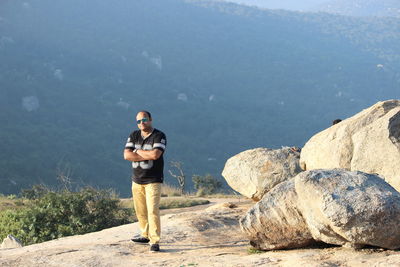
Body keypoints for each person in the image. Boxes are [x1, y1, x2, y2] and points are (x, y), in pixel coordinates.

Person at [123, 110, 167, 252]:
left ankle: (154, 241)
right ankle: (145, 234)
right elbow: (126, 155)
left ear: (151, 119)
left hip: (153, 180)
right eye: (139, 121)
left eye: (144, 120)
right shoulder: (134, 135)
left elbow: (155, 154)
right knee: (140, 210)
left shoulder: (159, 135)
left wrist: (137, 152)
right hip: (137, 179)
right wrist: (143, 154)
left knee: (152, 210)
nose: (141, 123)